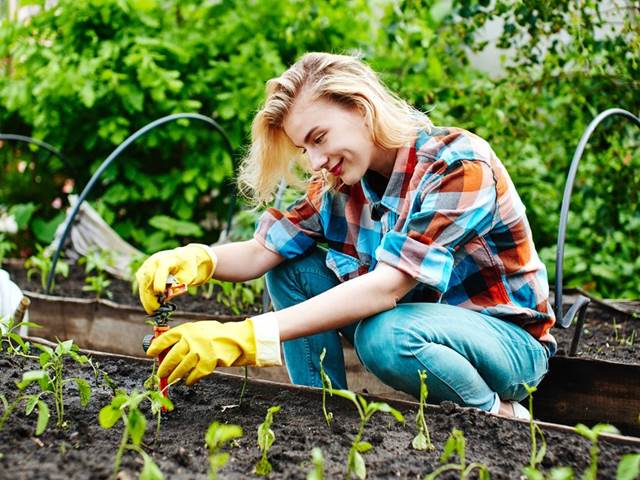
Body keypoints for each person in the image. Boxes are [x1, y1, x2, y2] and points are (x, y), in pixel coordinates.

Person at [137, 52, 555, 419]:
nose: (316, 160)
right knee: (290, 269)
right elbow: (262, 251)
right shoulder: (340, 181)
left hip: (507, 347)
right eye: (305, 149)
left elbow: (388, 288)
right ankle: (319, 410)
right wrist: (196, 259)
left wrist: (247, 335)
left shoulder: (457, 165)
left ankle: (497, 413)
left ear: (361, 107)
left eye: (319, 138)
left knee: (385, 336)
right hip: (417, 330)